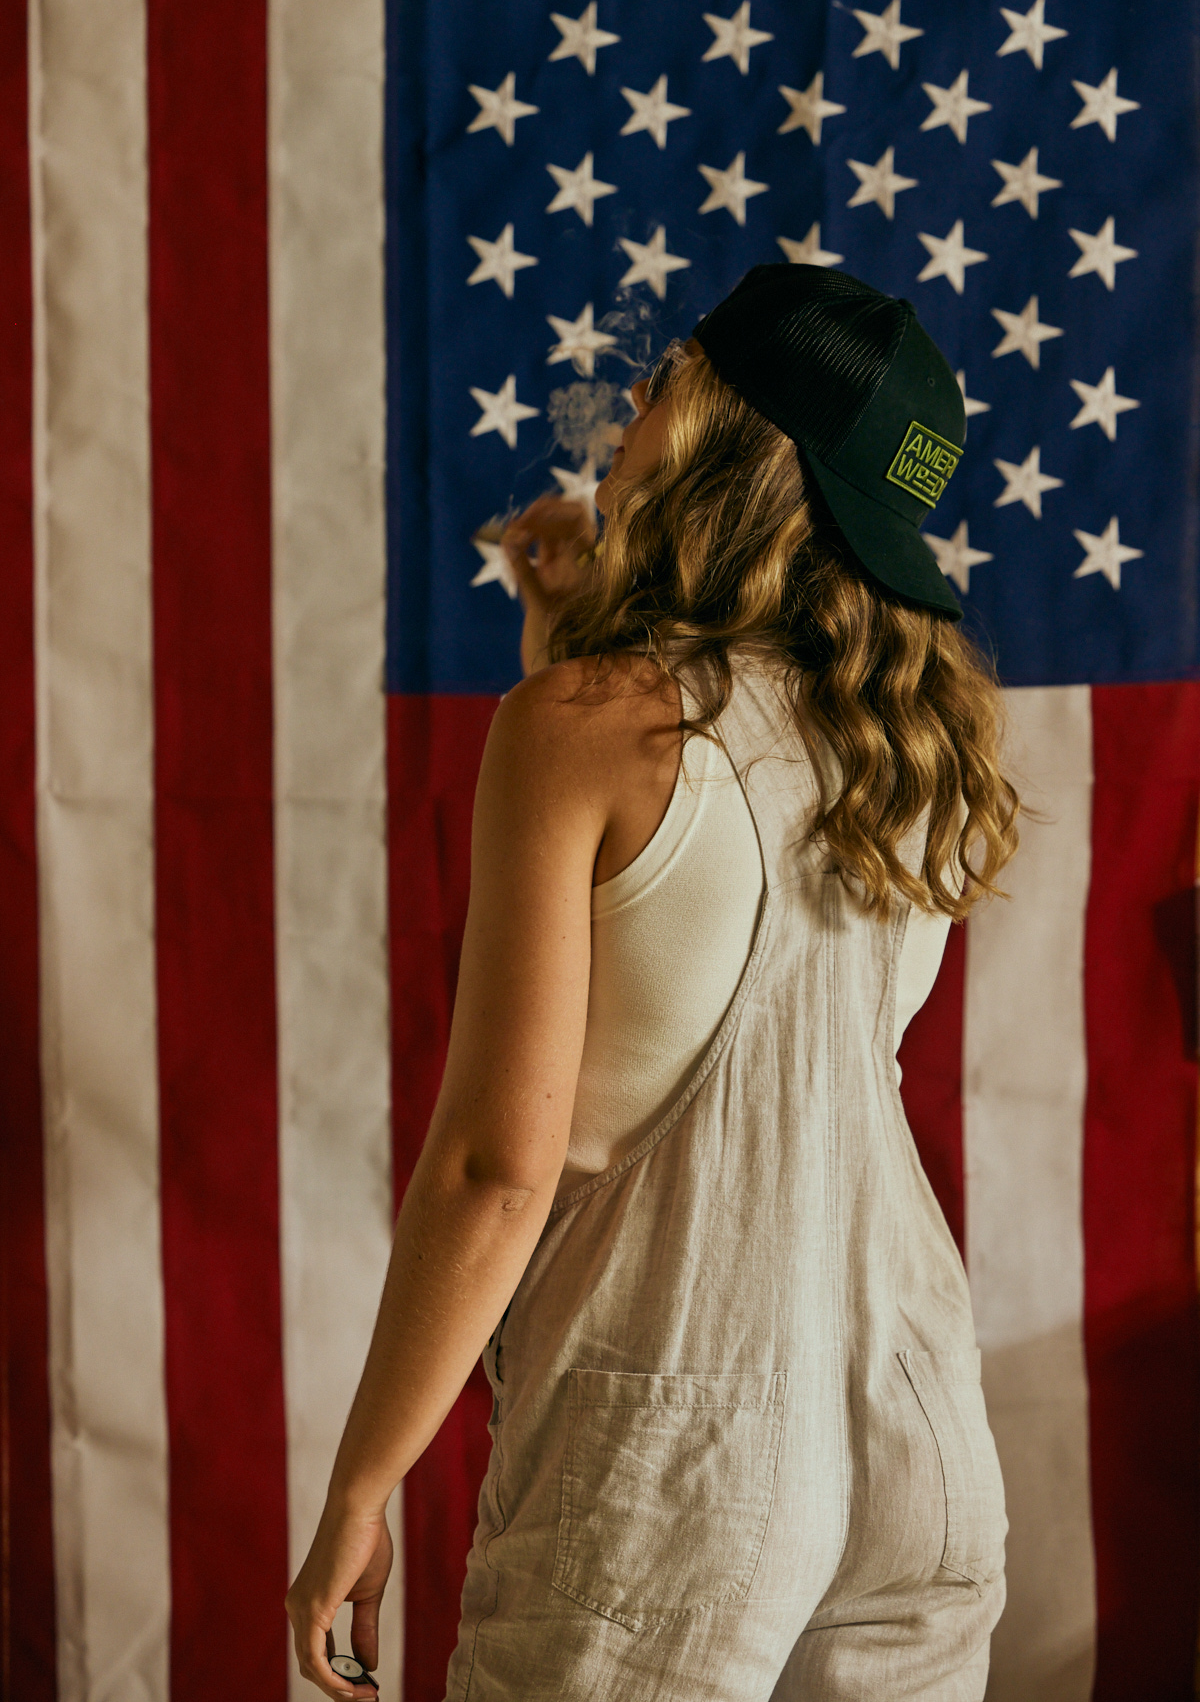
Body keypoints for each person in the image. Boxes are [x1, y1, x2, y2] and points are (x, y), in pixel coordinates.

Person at [286, 264, 1020, 1701]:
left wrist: (359, 1488)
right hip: (915, 1432)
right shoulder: (917, 748)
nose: (631, 400)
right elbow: (720, 870)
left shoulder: (577, 728)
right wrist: (572, 631)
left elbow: (498, 1168)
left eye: (671, 373)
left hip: (676, 1465)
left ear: (731, 437)